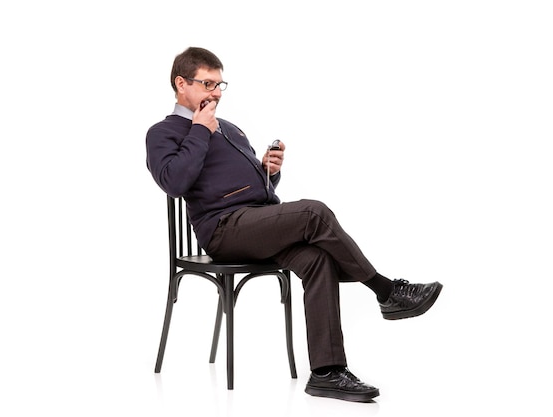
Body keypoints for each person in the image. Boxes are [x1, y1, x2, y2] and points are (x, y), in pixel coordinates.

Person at [145, 46, 443, 403]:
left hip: (253, 223)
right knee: (312, 212)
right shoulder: (166, 132)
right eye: (207, 84)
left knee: (317, 259)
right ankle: (386, 291)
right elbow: (174, 182)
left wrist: (268, 171)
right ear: (181, 84)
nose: (216, 93)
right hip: (222, 231)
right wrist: (198, 131)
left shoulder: (229, 128)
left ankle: (327, 372)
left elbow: (256, 194)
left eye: (220, 84)